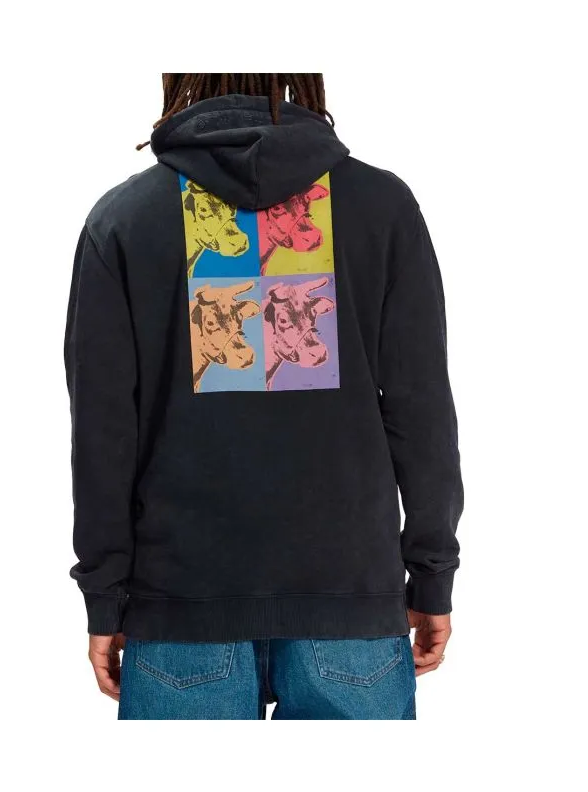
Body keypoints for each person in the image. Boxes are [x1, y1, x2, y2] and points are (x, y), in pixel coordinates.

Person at [64, 73, 463, 720]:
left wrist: (104, 596)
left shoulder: (126, 218)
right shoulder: (381, 205)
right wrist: (431, 574)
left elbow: (102, 434)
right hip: (349, 599)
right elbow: (421, 414)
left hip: (181, 605)